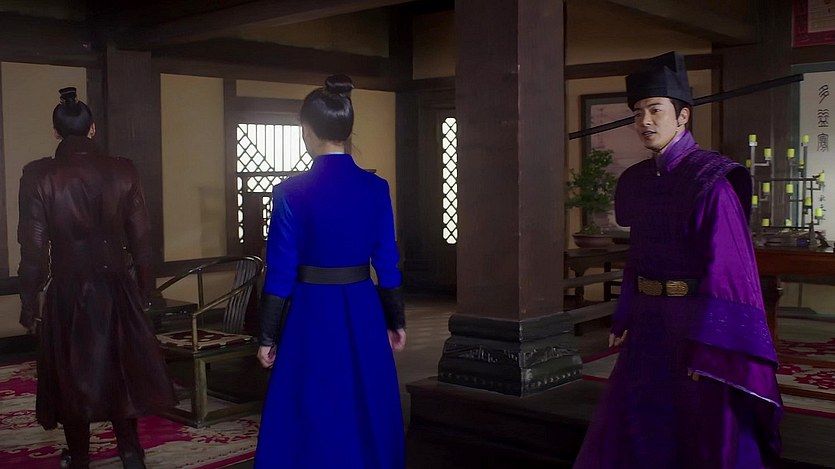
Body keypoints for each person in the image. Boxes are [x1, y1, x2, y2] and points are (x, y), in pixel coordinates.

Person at [573, 52, 783, 468]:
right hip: (648, 321)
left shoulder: (712, 181)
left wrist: (711, 347)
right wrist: (625, 313)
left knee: (698, 424)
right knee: (641, 419)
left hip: (694, 323)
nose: (644, 121)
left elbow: (728, 271)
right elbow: (640, 253)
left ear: (683, 116)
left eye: (656, 110)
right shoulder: (639, 179)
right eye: (638, 112)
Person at [17, 87, 176, 469]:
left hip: (68, 288)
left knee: (72, 373)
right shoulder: (123, 169)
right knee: (121, 367)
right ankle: (130, 451)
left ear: (56, 132)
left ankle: (80, 456)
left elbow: (33, 248)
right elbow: (142, 239)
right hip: (116, 285)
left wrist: (29, 301)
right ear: (92, 130)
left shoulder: (38, 174)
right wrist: (146, 291)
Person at [254, 74, 407, 468]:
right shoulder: (376, 188)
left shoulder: (290, 192)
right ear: (347, 130)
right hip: (363, 307)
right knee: (365, 397)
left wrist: (268, 335)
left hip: (311, 311)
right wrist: (395, 320)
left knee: (313, 401)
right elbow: (387, 263)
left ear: (307, 131)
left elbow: (280, 271)